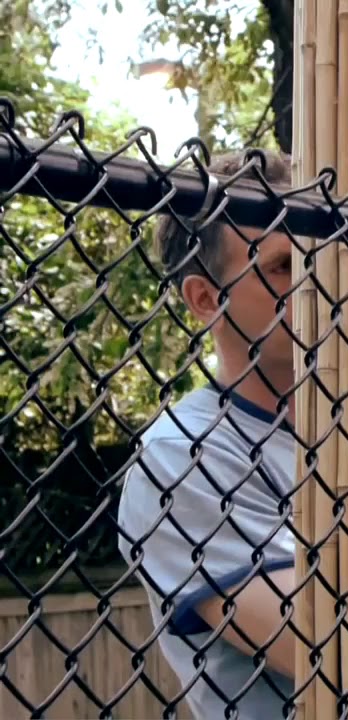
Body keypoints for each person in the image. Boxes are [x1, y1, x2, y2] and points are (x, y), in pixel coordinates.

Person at [116, 149, 299, 719]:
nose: (320, 284)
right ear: (205, 299)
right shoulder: (179, 458)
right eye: (284, 265)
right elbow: (333, 642)